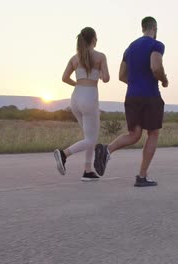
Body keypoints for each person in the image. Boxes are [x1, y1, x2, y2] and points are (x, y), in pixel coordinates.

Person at [94, 16, 168, 187]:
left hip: (131, 95)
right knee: (153, 133)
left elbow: (121, 75)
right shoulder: (157, 45)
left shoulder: (130, 48)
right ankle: (142, 176)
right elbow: (156, 67)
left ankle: (107, 149)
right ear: (154, 28)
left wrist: (135, 83)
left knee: (134, 134)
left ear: (142, 28)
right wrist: (163, 80)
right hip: (150, 95)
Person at [53, 27, 110, 181]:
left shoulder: (74, 58)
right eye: (96, 38)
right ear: (93, 39)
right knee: (91, 139)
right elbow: (106, 78)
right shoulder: (100, 56)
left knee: (88, 137)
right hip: (90, 97)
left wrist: (78, 85)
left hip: (75, 97)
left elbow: (64, 78)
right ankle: (64, 154)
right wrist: (100, 74)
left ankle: (87, 171)